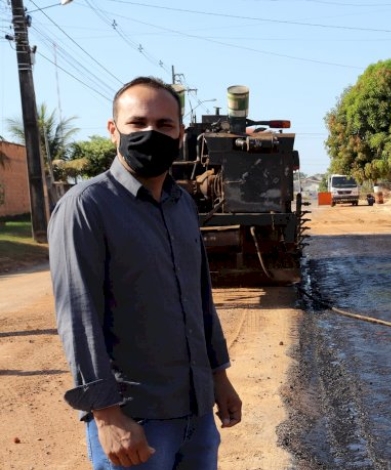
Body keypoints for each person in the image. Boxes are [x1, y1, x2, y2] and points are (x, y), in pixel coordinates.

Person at [48, 76, 242, 469]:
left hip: (197, 415)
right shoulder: (87, 206)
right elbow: (79, 318)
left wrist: (219, 378)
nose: (151, 133)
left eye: (164, 125)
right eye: (137, 123)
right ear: (113, 130)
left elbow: (199, 298)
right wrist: (106, 415)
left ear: (180, 134)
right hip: (135, 421)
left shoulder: (181, 204)